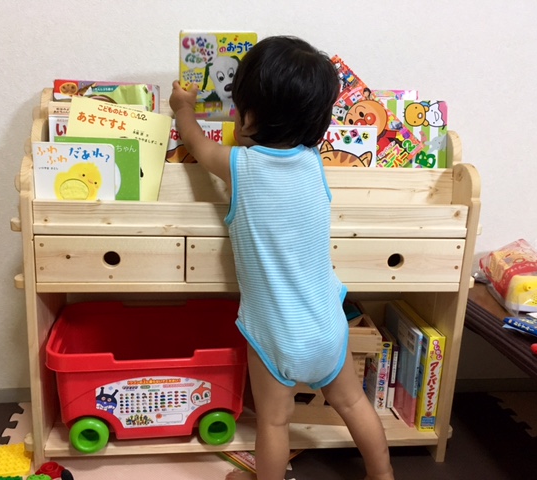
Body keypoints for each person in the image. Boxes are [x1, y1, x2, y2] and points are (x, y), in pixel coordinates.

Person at [169, 35, 394, 480]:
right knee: (353, 402)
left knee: (274, 422)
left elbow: (193, 139)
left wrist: (183, 107)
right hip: (327, 325)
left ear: (249, 116)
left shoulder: (239, 165)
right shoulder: (313, 162)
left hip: (275, 333)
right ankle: (382, 474)